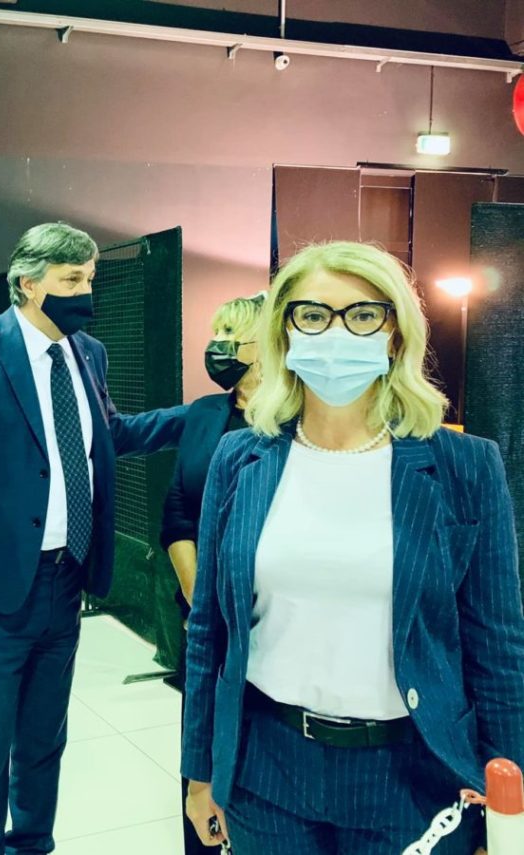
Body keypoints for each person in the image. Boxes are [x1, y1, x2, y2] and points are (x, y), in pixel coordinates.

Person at [182, 241, 524, 854]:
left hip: (415, 774)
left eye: (363, 314)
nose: (336, 333)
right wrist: (200, 769)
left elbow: (496, 646)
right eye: (313, 315)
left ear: (395, 334)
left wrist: (506, 799)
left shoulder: (465, 466)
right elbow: (209, 629)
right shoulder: (240, 457)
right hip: (266, 767)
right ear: (284, 332)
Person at [0, 222, 188, 855]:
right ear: (28, 283)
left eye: (89, 278)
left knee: (44, 738)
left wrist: (199, 416)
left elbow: (109, 435)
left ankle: (34, 844)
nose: (86, 292)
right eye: (72, 280)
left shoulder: (87, 352)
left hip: (67, 580)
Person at [160, 292, 263, 855]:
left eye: (232, 336)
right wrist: (201, 600)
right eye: (216, 333)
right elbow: (177, 510)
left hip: (266, 619)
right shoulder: (204, 413)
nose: (217, 347)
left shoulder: (300, 420)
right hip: (205, 619)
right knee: (200, 750)